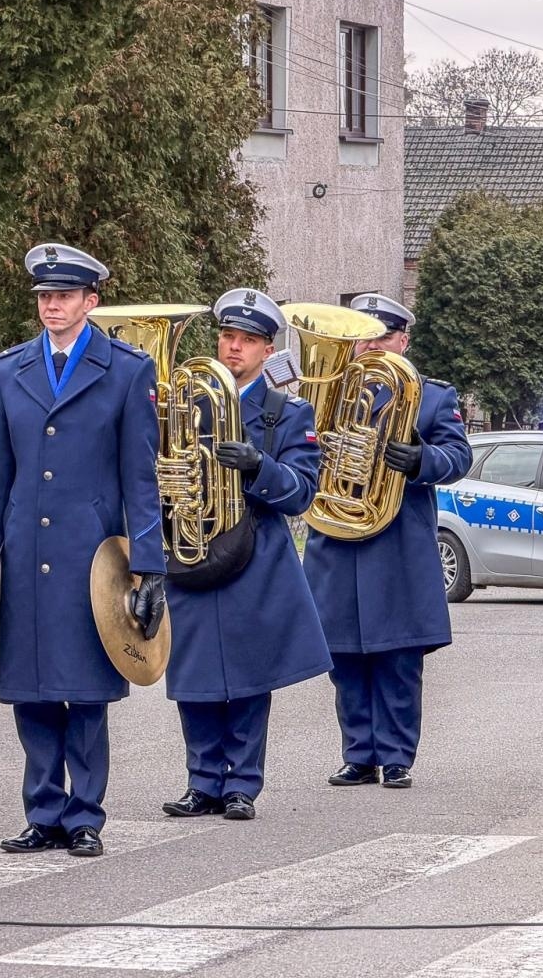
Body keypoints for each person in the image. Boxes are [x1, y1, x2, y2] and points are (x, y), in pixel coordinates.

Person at [0, 243, 165, 859]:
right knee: (29, 691)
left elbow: (141, 476)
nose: (52, 305)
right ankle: (42, 812)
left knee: (84, 695)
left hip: (92, 560)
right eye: (44, 297)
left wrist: (149, 566)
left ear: (91, 302)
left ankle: (85, 815)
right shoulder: (9, 369)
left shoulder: (127, 370)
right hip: (25, 555)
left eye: (64, 296)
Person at [160, 289, 333, 821]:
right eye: (228, 337)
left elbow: (304, 492)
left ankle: (242, 783)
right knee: (194, 673)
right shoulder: (183, 401)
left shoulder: (287, 410)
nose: (234, 348)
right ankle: (202, 780)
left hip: (253, 553)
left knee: (248, 675)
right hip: (190, 548)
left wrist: (261, 467)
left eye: (248, 341)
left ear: (266, 350)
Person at [304, 293, 471, 790]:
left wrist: (420, 459)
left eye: (382, 336)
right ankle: (359, 753)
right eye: (363, 337)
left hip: (396, 544)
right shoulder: (328, 389)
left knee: (398, 658)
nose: (371, 346)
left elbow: (457, 459)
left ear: (402, 340)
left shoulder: (433, 396)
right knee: (345, 658)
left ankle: (396, 755)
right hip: (338, 541)